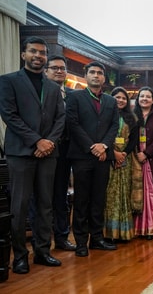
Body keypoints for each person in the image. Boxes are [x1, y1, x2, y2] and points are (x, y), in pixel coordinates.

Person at [0, 36, 65, 273]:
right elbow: (9, 115)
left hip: (48, 154)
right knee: (20, 204)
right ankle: (19, 256)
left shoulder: (53, 86)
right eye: (33, 51)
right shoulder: (7, 82)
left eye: (42, 53)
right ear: (23, 55)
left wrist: (48, 142)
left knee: (45, 205)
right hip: (20, 153)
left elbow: (61, 118)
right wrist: (37, 140)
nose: (38, 56)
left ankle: (42, 251)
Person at [65, 61, 118, 257]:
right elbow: (73, 124)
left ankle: (97, 239)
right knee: (81, 200)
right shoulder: (74, 97)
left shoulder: (111, 102)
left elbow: (114, 127)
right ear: (86, 76)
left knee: (98, 199)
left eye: (99, 73)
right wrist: (92, 147)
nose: (96, 76)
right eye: (92, 72)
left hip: (103, 157)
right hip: (81, 156)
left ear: (104, 78)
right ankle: (80, 242)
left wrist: (103, 145)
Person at [44, 55, 76, 251]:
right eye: (54, 68)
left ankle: (62, 237)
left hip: (65, 151)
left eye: (62, 68)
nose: (59, 71)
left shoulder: (73, 95)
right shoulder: (39, 92)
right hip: (42, 150)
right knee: (40, 197)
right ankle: (43, 242)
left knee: (61, 195)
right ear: (46, 71)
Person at [104, 87, 139, 241]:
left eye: (123, 98)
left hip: (126, 159)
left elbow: (134, 140)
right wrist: (113, 154)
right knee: (108, 194)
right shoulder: (104, 115)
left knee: (124, 193)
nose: (120, 100)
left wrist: (123, 154)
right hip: (107, 158)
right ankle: (108, 233)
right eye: (117, 97)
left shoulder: (132, 119)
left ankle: (123, 232)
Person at [133, 87, 153, 240]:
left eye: (148, 96)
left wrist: (145, 153)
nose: (144, 99)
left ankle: (150, 229)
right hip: (134, 159)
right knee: (136, 193)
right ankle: (136, 228)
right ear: (138, 99)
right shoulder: (131, 115)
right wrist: (136, 154)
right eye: (142, 96)